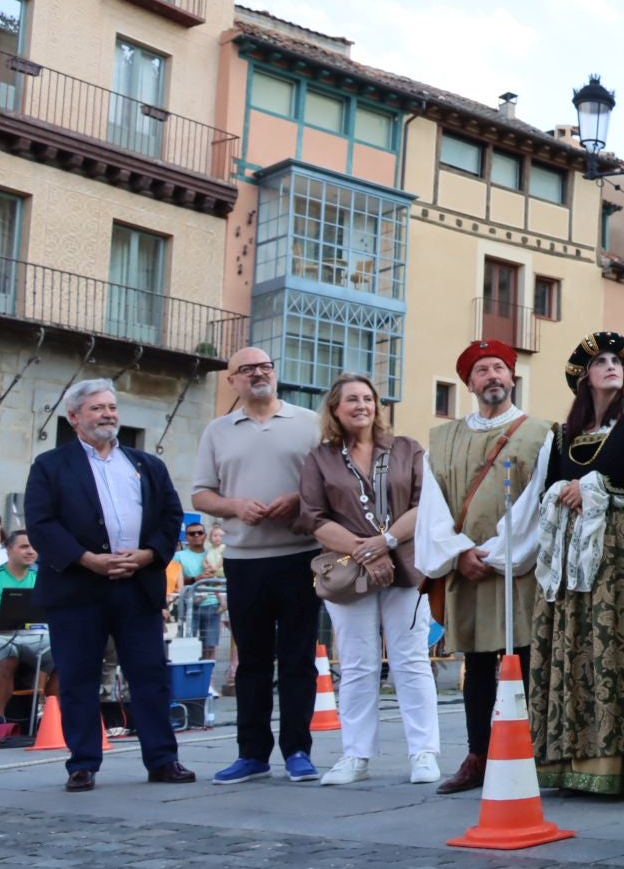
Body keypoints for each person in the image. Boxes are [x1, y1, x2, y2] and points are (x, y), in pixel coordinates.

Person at [22, 380, 194, 790]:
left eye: (112, 407)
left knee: (149, 675)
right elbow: (41, 524)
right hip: (78, 588)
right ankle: (82, 762)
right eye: (97, 408)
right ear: (74, 417)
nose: (107, 414)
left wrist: (150, 554)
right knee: (78, 677)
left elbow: (171, 516)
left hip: (137, 586)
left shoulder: (145, 464)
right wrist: (87, 559)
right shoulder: (50, 466)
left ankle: (162, 759)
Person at [520, 333, 624, 795]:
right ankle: (569, 760)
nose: (610, 366)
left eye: (616, 361)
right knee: (574, 644)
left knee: (617, 642)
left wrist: (590, 487)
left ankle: (623, 764)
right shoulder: (562, 434)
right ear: (584, 376)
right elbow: (549, 483)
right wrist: (566, 493)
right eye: (600, 361)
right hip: (569, 553)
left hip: (619, 549)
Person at [413, 340, 553, 794]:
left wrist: (499, 554)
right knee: (477, 661)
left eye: (498, 368)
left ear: (512, 378)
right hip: (466, 567)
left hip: (519, 567)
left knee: (527, 656)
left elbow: (537, 503)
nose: (492, 376)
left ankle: (532, 753)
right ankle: (478, 754)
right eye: (481, 371)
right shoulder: (442, 439)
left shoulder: (541, 432)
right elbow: (431, 503)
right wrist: (458, 553)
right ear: (469, 383)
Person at [296, 373, 440, 786]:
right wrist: (364, 550)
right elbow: (313, 517)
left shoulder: (406, 449)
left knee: (410, 661)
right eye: (351, 400)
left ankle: (424, 752)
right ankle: (355, 755)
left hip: (407, 566)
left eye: (367, 398)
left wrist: (386, 541)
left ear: (377, 405)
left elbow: (424, 502)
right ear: (335, 410)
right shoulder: (320, 458)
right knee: (358, 665)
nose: (361, 405)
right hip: (347, 570)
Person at [191, 347, 322, 784]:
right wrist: (233, 506)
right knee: (251, 661)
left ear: (275, 372)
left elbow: (329, 487)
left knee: (299, 659)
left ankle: (298, 750)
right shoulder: (218, 431)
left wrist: (298, 502)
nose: (258, 374)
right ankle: (251, 753)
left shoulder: (309, 423)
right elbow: (201, 495)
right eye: (246, 370)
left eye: (265, 366)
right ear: (232, 381)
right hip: (244, 559)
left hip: (299, 555)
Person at [0, 529, 49, 722]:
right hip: (3, 635)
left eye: (34, 547)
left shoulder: (42, 578)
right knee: (7, 657)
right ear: (9, 549)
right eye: (24, 546)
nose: (30, 551)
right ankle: (0, 718)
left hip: (37, 636)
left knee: (65, 654)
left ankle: (49, 714)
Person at [173, 522, 224, 662]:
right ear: (186, 537)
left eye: (200, 532)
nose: (196, 535)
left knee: (210, 646)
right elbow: (175, 581)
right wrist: (197, 578)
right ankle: (190, 679)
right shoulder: (179, 556)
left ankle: (208, 680)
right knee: (187, 645)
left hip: (213, 605)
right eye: (192, 533)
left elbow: (223, 574)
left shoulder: (214, 552)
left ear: (205, 535)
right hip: (189, 605)